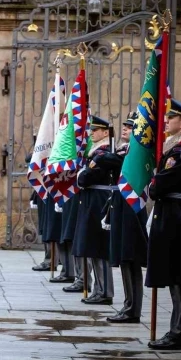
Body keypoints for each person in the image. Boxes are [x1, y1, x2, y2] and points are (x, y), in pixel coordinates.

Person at [146, 100, 181, 350]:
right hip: (175, 214)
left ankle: (179, 333)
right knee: (176, 274)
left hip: (180, 216)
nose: (165, 122)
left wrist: (153, 186)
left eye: (171, 118)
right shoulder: (178, 148)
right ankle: (177, 330)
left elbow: (161, 184)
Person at [99, 112, 147, 323]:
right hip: (121, 204)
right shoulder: (124, 149)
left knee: (131, 258)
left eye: (131, 126)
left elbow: (107, 160)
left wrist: (109, 156)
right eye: (125, 126)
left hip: (131, 206)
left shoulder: (134, 152)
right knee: (125, 259)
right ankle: (128, 305)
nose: (126, 128)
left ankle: (133, 308)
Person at [72, 116, 114, 305]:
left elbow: (86, 177)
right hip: (92, 200)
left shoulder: (104, 152)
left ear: (106, 133)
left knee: (99, 247)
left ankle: (104, 291)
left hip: (99, 201)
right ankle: (99, 289)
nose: (92, 133)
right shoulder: (96, 152)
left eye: (96, 130)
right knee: (92, 247)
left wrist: (82, 175)